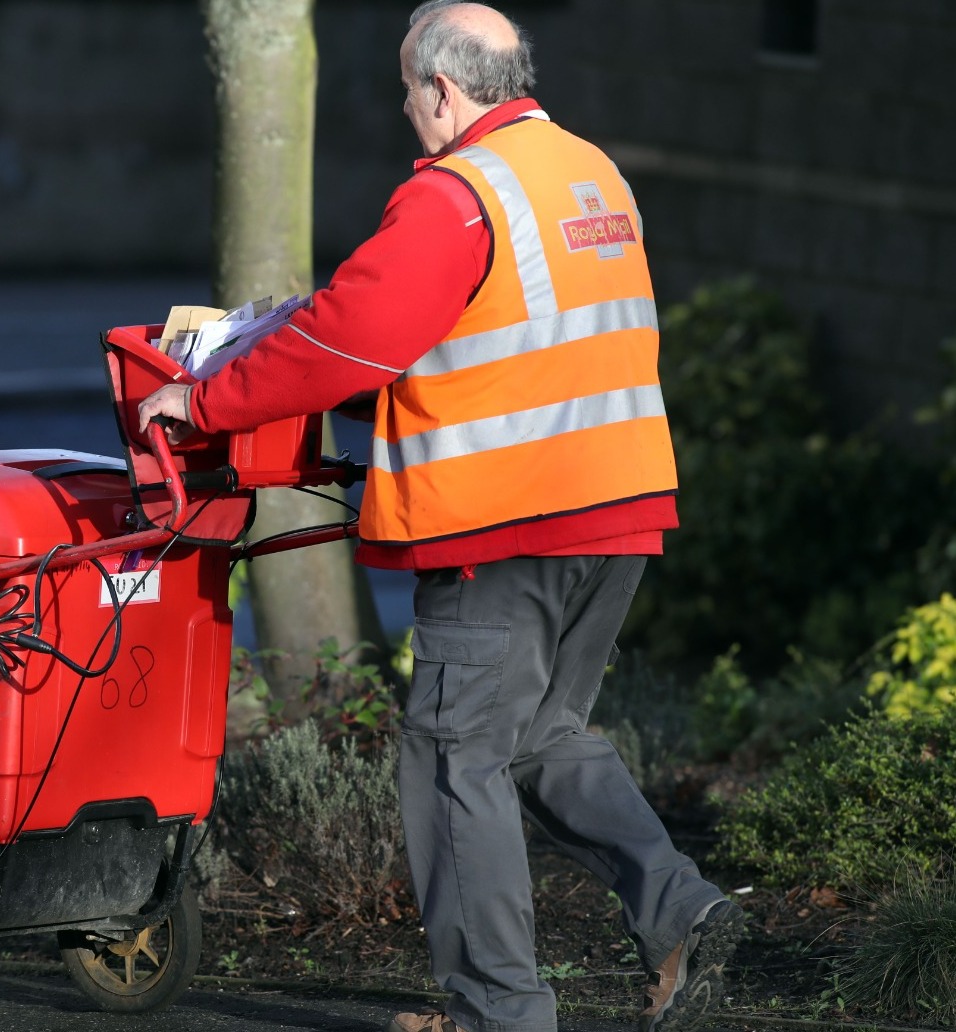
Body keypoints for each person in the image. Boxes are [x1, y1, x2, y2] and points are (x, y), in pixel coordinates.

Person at [138, 3, 744, 1031]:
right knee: (541, 735)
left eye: (410, 93)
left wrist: (203, 399)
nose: (410, 113)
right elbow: (512, 338)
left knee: (457, 758)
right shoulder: (590, 170)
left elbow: (349, 337)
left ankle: (497, 1013)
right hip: (615, 506)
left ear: (444, 91)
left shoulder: (457, 197)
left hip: (505, 521)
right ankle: (681, 911)